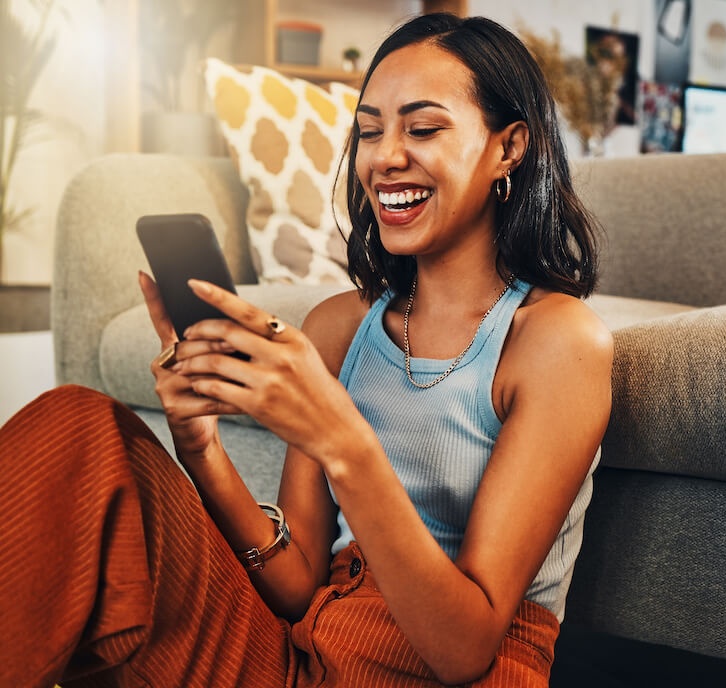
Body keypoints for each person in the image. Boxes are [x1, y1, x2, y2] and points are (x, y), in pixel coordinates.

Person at [0, 13, 611, 687]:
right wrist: (202, 451)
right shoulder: (339, 328)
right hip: (296, 660)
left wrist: (342, 438)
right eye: (370, 131)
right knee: (81, 430)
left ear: (509, 146)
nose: (383, 157)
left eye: (423, 127)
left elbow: (463, 650)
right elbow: (295, 587)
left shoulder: (554, 342)